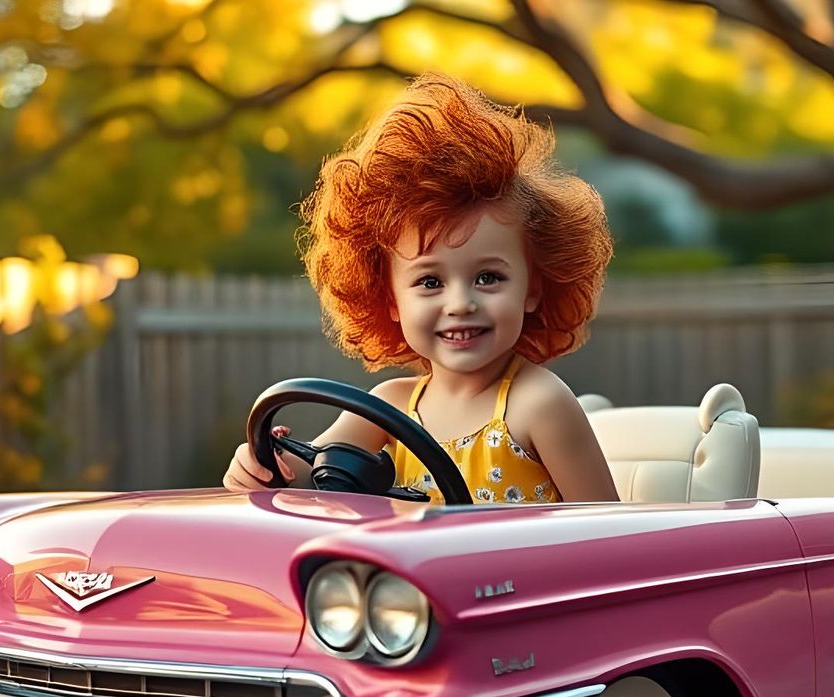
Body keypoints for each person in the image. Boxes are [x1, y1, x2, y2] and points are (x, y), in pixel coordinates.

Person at [223, 73, 619, 504]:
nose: (461, 304)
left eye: (488, 277)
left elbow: (610, 532)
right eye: (430, 281)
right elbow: (304, 477)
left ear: (533, 289)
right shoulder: (388, 408)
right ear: (389, 299)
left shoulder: (540, 404)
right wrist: (261, 464)